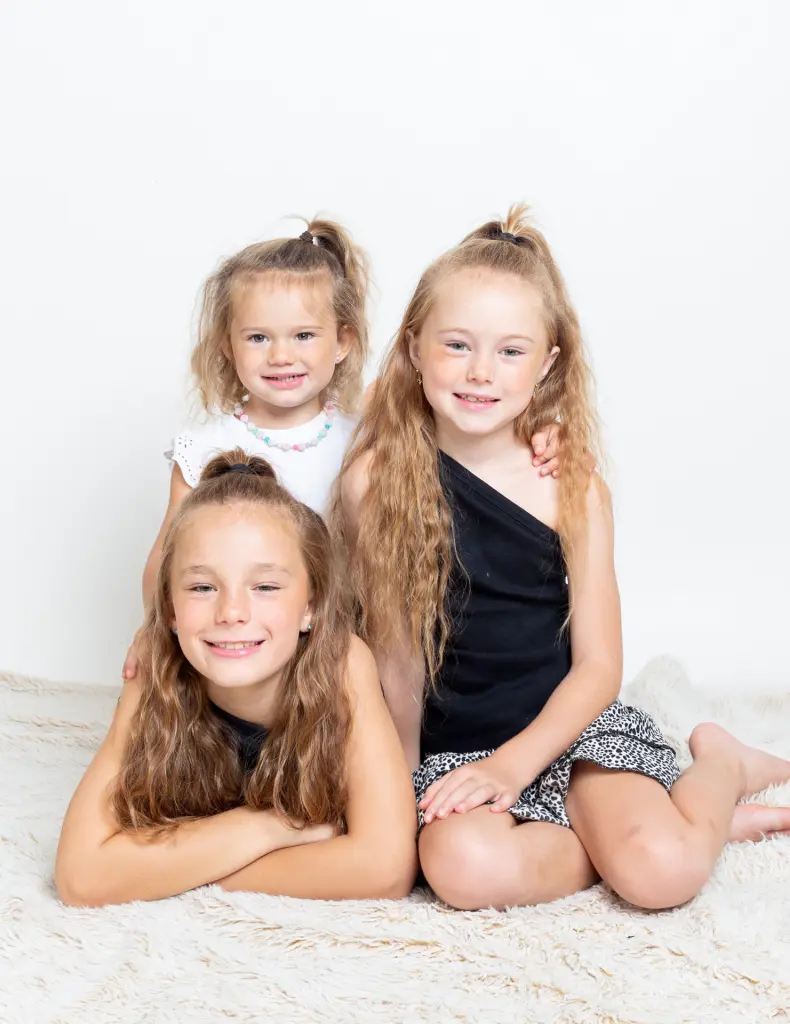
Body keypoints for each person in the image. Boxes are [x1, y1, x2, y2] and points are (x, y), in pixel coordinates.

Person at [337, 206, 790, 911]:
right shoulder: (376, 480)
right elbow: (395, 659)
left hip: (572, 732)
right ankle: (627, 836)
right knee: (461, 869)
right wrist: (398, 791)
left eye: (511, 352)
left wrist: (516, 766)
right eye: (456, 345)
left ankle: (719, 768)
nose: (481, 372)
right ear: (413, 348)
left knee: (662, 874)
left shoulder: (571, 484)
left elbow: (600, 667)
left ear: (548, 364)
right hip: (459, 754)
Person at [123, 218, 563, 680]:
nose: (281, 356)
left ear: (342, 342)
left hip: (335, 648)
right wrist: (155, 626)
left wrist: (546, 431)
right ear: (227, 347)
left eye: (304, 336)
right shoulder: (205, 448)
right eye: (258, 337)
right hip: (238, 639)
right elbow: (166, 559)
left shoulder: (366, 433)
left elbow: (467, 426)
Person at [56, 449, 417, 906]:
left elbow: (385, 870)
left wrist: (175, 869)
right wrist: (272, 826)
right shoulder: (155, 672)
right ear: (169, 608)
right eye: (203, 587)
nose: (231, 613)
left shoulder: (343, 663)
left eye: (265, 587)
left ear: (311, 606)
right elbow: (80, 877)